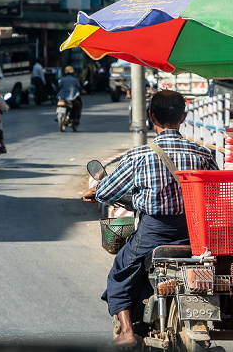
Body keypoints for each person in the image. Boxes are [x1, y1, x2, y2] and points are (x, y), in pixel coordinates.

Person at [82, 89, 219, 348]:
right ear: (183, 117)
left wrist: (94, 190)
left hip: (154, 234)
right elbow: (217, 192)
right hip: (196, 236)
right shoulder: (202, 154)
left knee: (120, 271)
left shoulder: (140, 155)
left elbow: (106, 191)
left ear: (151, 116)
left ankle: (126, 331)